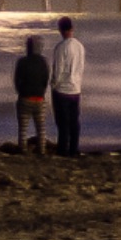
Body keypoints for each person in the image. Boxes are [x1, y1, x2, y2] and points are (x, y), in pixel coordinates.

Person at [48, 15, 85, 157]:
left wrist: (53, 84)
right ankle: (73, 149)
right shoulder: (80, 47)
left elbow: (58, 70)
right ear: (72, 29)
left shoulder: (61, 47)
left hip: (62, 89)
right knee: (74, 122)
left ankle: (63, 150)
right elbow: (81, 67)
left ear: (61, 30)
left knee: (62, 123)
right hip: (76, 89)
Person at [8, 33, 50, 150]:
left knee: (23, 129)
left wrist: (21, 92)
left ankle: (23, 149)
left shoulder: (22, 62)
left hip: (25, 98)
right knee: (41, 128)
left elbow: (17, 80)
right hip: (39, 98)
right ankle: (41, 150)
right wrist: (42, 92)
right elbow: (45, 79)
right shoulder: (43, 62)